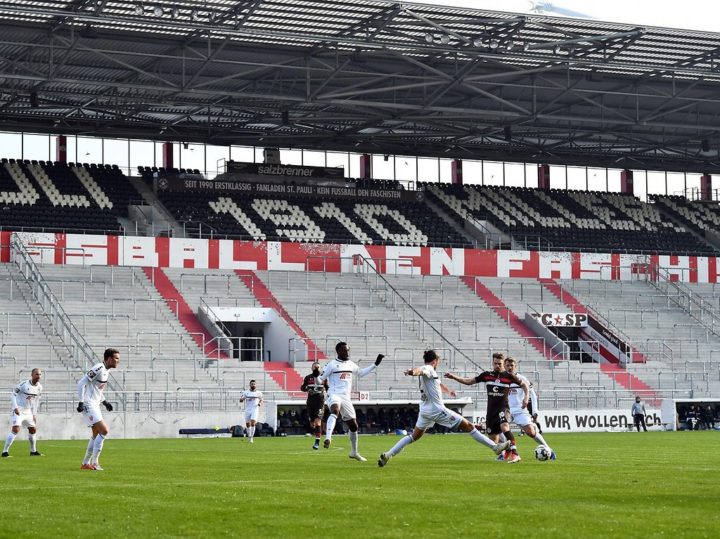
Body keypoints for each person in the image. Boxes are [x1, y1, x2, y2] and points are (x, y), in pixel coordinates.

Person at [377, 350, 510, 467]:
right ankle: (495, 447)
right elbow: (420, 370)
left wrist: (448, 391)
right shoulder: (428, 368)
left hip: (424, 411)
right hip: (437, 410)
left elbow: (438, 384)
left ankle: (388, 454)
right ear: (435, 361)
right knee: (469, 426)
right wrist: (412, 372)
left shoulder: (431, 373)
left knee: (414, 436)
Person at [445, 352, 529, 463]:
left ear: (503, 363)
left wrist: (526, 398)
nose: (497, 365)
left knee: (504, 427)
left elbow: (524, 385)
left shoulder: (509, 376)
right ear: (492, 363)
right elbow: (469, 381)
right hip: (491, 411)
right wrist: (454, 377)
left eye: (500, 363)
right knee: (493, 439)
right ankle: (508, 450)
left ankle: (515, 454)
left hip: (503, 408)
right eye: (495, 363)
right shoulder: (487, 375)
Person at [317, 342, 383, 462]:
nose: (347, 352)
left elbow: (361, 373)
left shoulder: (350, 364)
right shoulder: (331, 364)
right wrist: (317, 375)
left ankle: (354, 452)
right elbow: (320, 380)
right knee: (335, 410)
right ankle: (328, 438)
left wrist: (375, 364)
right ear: (338, 351)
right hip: (334, 394)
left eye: (348, 350)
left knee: (354, 426)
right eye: (344, 350)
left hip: (346, 398)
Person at [504, 357, 555, 460]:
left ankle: (548, 448)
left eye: (512, 365)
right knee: (501, 431)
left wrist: (535, 410)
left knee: (531, 432)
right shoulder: (501, 379)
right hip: (506, 411)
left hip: (520, 411)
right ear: (504, 366)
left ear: (515, 367)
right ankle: (506, 453)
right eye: (507, 365)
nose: (509, 367)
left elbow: (533, 394)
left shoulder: (522, 379)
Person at [77, 348, 119, 471]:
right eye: (116, 359)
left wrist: (105, 402)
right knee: (104, 430)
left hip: (95, 403)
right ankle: (95, 463)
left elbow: (97, 389)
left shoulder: (106, 371)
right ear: (109, 358)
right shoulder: (99, 367)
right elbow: (81, 383)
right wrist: (80, 402)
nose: (118, 361)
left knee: (96, 434)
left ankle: (85, 463)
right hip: (89, 404)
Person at [2, 368, 43, 457]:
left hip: (28, 411)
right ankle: (5, 452)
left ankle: (33, 451)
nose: (38, 376)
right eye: (37, 374)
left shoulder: (39, 387)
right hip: (19, 410)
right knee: (16, 429)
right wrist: (15, 407)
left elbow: (36, 401)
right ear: (32, 375)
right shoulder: (24, 384)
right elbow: (13, 394)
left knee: (33, 430)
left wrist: (34, 414)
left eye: (40, 374)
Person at [300, 361, 327, 450]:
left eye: (318, 367)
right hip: (310, 402)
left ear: (320, 368)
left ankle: (317, 442)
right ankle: (317, 434)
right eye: (315, 367)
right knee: (312, 423)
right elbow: (302, 388)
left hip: (320, 401)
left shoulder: (323, 377)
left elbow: (328, 388)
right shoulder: (308, 377)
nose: (316, 368)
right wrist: (307, 388)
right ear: (312, 368)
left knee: (317, 421)